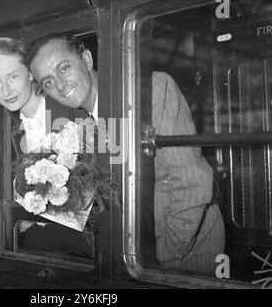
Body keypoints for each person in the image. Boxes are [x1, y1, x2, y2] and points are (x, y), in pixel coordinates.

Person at [28, 33, 225, 275]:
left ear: (87, 60)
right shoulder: (84, 125)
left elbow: (190, 181)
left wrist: (157, 258)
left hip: (185, 250)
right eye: (48, 82)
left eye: (64, 68)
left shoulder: (150, 90)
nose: (60, 85)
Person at [0, 37, 94, 258]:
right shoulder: (6, 127)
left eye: (12, 77)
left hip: (84, 250)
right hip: (33, 249)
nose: (5, 90)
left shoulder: (74, 107)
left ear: (31, 73)